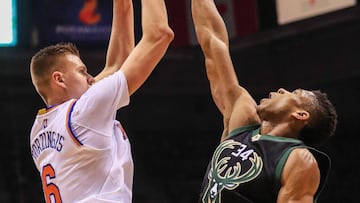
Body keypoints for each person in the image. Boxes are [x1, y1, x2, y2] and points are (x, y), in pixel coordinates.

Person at [191, 0, 337, 202]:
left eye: (293, 93)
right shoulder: (242, 122)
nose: (281, 89)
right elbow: (214, 44)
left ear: (300, 115)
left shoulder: (299, 160)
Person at [29, 0, 174, 202]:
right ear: (59, 79)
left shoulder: (39, 129)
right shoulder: (81, 113)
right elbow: (160, 34)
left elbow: (116, 65)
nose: (91, 78)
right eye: (82, 72)